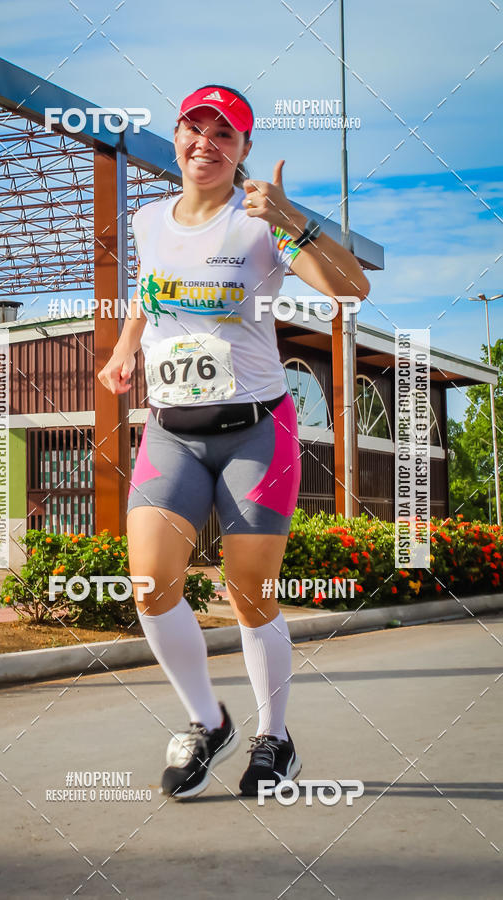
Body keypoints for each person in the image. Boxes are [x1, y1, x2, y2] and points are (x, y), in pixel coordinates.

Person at [98, 84, 369, 800]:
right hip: (170, 431)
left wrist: (290, 219)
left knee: (251, 596)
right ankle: (205, 721)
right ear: (177, 135)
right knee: (152, 586)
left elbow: (350, 290)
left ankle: (274, 738)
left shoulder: (261, 224)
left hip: (255, 431)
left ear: (244, 149)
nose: (206, 144)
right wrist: (127, 348)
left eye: (226, 134)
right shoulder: (148, 218)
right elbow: (145, 290)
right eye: (195, 128)